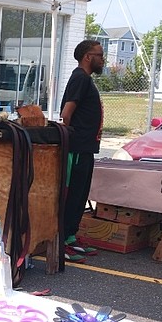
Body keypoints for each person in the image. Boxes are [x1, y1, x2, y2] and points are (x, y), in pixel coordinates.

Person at [60, 39, 105, 263]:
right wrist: (68, 141)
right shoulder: (80, 78)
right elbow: (67, 113)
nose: (102, 59)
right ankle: (61, 242)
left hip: (86, 148)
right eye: (99, 54)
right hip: (76, 149)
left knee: (80, 196)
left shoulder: (86, 80)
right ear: (88, 57)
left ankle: (70, 237)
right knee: (72, 195)